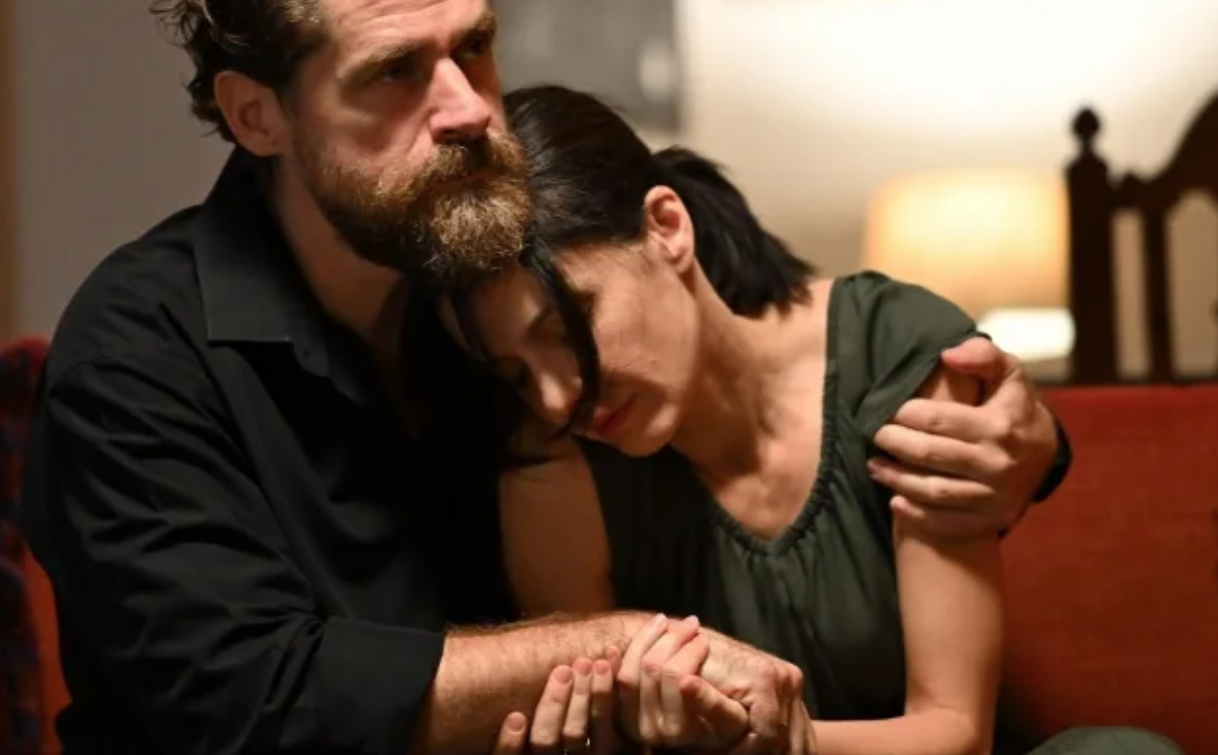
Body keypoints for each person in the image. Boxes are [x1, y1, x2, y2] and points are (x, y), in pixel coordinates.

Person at [18, 0, 1073, 755]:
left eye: (474, 47)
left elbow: (758, 340)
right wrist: (617, 649)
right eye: (393, 73)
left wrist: (1028, 437)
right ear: (258, 116)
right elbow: (251, 699)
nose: (468, 108)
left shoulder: (493, 249)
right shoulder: (137, 353)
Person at [414, 83, 1181, 755]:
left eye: (568, 327)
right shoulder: (553, 470)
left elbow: (954, 731)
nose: (558, 398)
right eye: (515, 373)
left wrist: (778, 742)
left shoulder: (893, 352)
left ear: (668, 227)